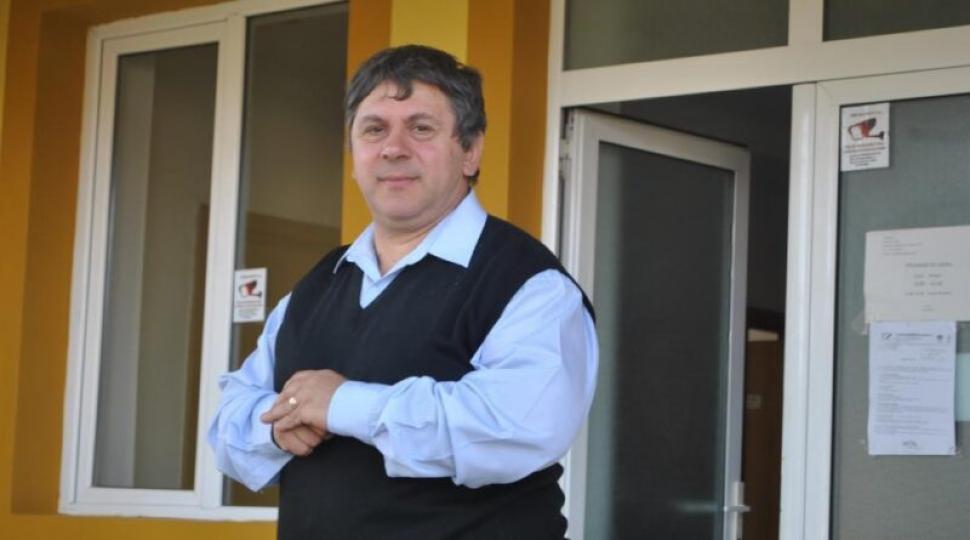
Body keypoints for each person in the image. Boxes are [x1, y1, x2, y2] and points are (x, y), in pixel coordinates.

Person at [208, 44, 598, 539]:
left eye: (421, 128)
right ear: (354, 155)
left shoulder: (530, 284)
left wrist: (345, 405)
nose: (393, 148)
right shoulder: (317, 285)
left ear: (470, 151)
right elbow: (229, 425)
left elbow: (515, 428)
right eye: (374, 129)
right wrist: (276, 427)